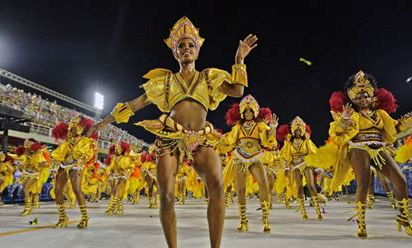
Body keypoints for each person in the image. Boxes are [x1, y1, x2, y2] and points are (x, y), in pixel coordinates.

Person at [88, 16, 257, 248]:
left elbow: (238, 91)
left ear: (197, 51)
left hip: (201, 138)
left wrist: (239, 59)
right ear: (175, 53)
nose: (186, 48)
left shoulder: (209, 78)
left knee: (217, 186)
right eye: (181, 46)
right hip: (169, 139)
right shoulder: (165, 82)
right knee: (167, 197)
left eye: (190, 45)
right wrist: (101, 124)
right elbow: (135, 104)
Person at [320, 71, 412, 238]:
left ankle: (404, 218)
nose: (362, 99)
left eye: (365, 95)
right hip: (358, 147)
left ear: (372, 96)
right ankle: (361, 223)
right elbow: (335, 131)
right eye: (358, 96)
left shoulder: (380, 114)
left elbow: (396, 127)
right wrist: (343, 119)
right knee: (364, 183)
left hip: (379, 147)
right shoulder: (350, 114)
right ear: (351, 99)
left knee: (400, 180)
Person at [219, 95, 277, 232]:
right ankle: (243, 220)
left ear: (255, 112)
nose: (248, 114)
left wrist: (273, 127)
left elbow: (269, 140)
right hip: (240, 157)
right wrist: (217, 139)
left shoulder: (260, 125)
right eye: (245, 111)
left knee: (264, 184)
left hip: (255, 157)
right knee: (240, 190)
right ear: (242, 113)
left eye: (250, 111)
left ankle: (266, 219)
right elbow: (230, 141)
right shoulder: (238, 127)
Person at [51, 115, 97, 229]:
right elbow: (60, 154)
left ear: (82, 128)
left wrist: (80, 161)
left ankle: (85, 218)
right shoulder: (67, 141)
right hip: (64, 165)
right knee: (57, 190)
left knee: (77, 190)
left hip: (76, 165)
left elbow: (87, 155)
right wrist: (55, 164)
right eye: (72, 123)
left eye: (77, 124)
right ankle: (62, 217)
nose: (73, 125)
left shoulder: (85, 140)